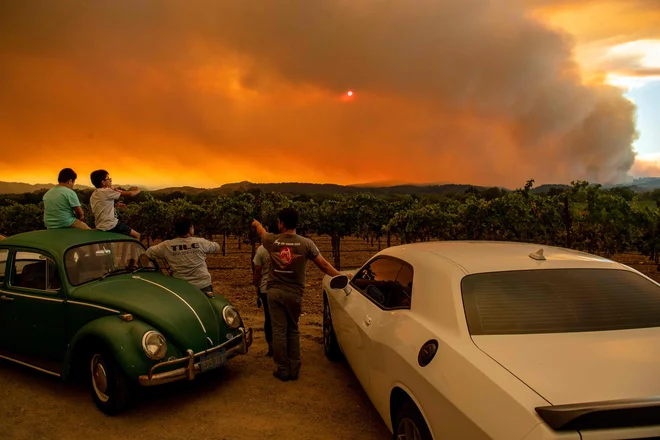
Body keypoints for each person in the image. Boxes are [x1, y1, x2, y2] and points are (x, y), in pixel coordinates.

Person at [251, 207, 345, 382]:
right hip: (295, 294)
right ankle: (294, 368)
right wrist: (342, 277)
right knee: (293, 329)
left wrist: (256, 223)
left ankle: (282, 369)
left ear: (281, 224)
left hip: (274, 292)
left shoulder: (272, 241)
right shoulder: (306, 243)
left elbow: (262, 232)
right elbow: (323, 265)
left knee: (279, 330)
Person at [145, 217, 221, 295]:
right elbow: (216, 247)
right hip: (203, 285)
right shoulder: (201, 242)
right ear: (190, 229)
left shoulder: (166, 246)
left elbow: (148, 253)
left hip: (181, 287)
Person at [89, 169, 141, 240]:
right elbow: (130, 194)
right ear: (103, 182)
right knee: (137, 235)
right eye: (108, 179)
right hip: (111, 225)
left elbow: (101, 208)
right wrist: (138, 190)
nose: (110, 180)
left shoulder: (94, 195)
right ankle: (131, 251)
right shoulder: (107, 191)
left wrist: (115, 206)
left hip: (100, 226)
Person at [253, 241, 273, 357]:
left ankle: (271, 347)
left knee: (269, 318)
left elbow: (257, 270)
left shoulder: (261, 249)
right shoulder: (286, 245)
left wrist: (256, 287)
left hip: (266, 289)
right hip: (283, 287)